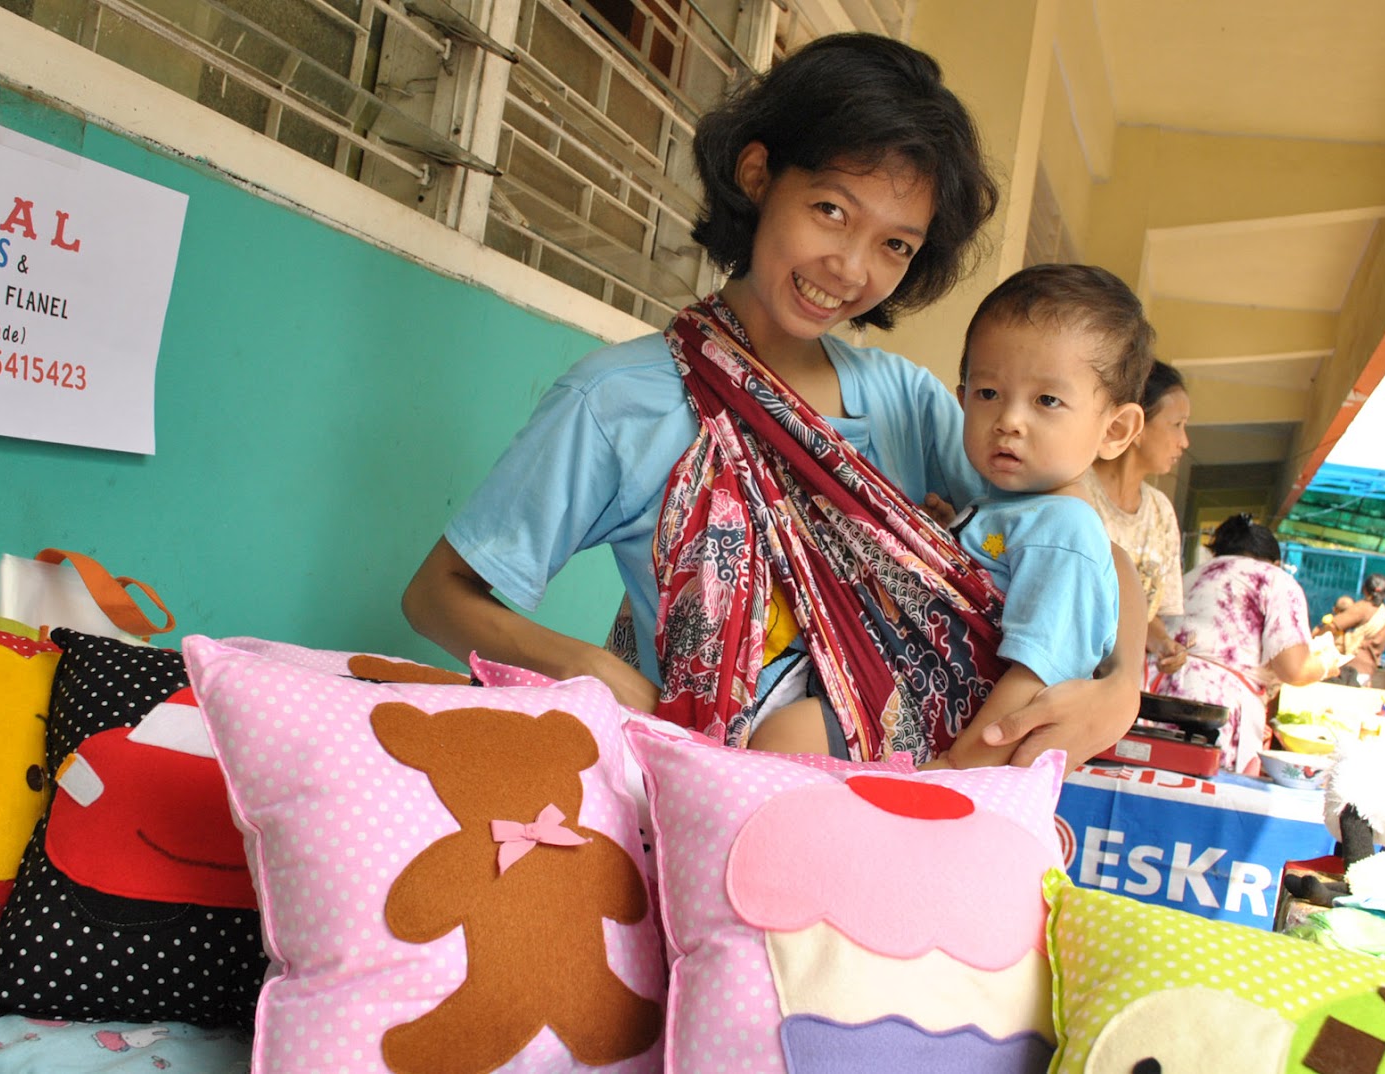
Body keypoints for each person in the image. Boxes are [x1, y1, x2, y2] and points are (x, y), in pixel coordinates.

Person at [402, 33, 1144, 768]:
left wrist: (1121, 692)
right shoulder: (618, 401)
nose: (851, 268)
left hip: (900, 808)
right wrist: (589, 671)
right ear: (758, 175)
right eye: (831, 210)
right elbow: (437, 595)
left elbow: (1075, 543)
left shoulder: (906, 404)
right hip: (710, 791)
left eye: (895, 246)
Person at [928, 264, 1148, 768]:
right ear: (961, 398)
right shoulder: (1006, 508)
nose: (1009, 420)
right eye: (987, 393)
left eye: (1047, 400)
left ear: (1115, 430)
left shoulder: (1065, 532)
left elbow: (1039, 673)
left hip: (954, 752)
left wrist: (957, 769)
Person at [1150, 514, 1331, 775]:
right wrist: (1326, 665)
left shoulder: (1192, 575)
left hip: (1158, 700)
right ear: (1276, 562)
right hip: (1215, 713)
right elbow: (1294, 668)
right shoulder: (1274, 579)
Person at [1081, 359, 1190, 675]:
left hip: (1120, 686)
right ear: (1136, 426)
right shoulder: (1074, 490)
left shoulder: (1160, 512)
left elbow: (1144, 617)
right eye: (1177, 424)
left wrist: (1163, 644)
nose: (1184, 442)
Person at [1315, 573, 1385, 686]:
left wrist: (1315, 637)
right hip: (1367, 673)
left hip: (1348, 671)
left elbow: (1333, 626)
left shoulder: (1363, 607)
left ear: (1365, 589)